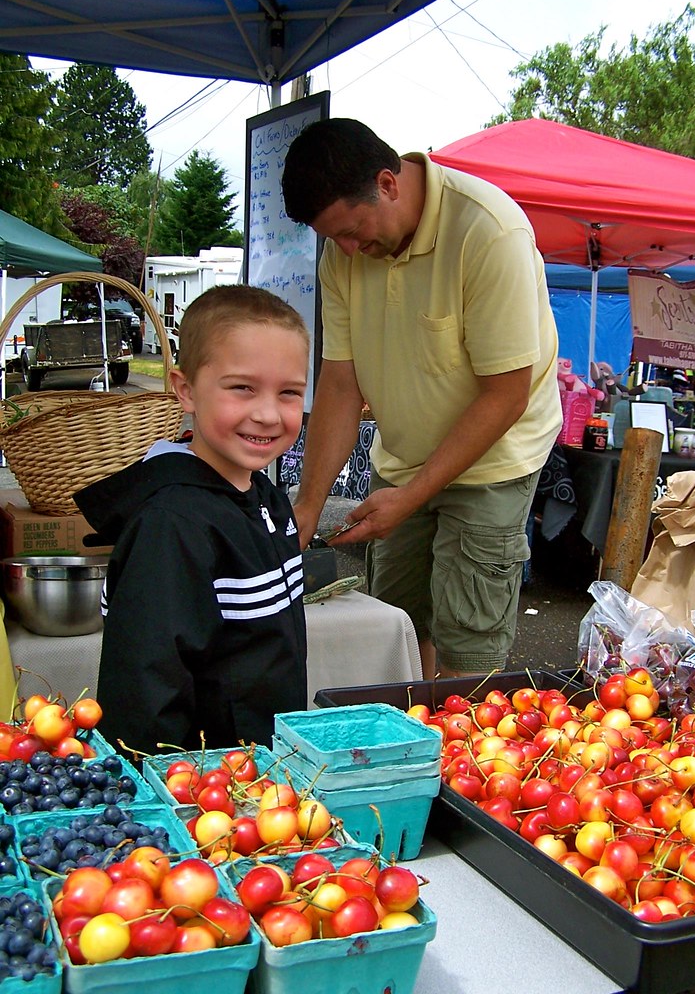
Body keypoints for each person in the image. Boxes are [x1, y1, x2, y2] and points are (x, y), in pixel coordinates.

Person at [281, 118, 562, 680]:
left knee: (467, 642)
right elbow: (341, 380)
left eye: (353, 231)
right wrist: (307, 507)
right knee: (397, 625)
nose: (346, 250)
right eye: (333, 238)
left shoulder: (488, 231)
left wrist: (410, 497)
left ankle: (465, 757)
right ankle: (411, 748)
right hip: (403, 456)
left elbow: (505, 396)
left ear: (388, 183)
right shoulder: (345, 255)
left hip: (494, 461)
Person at [75, 285, 309, 753]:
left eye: (289, 393)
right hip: (203, 786)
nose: (267, 414)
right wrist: (166, 787)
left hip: (265, 769)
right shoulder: (172, 524)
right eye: (242, 388)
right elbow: (146, 683)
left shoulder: (265, 494)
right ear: (185, 390)